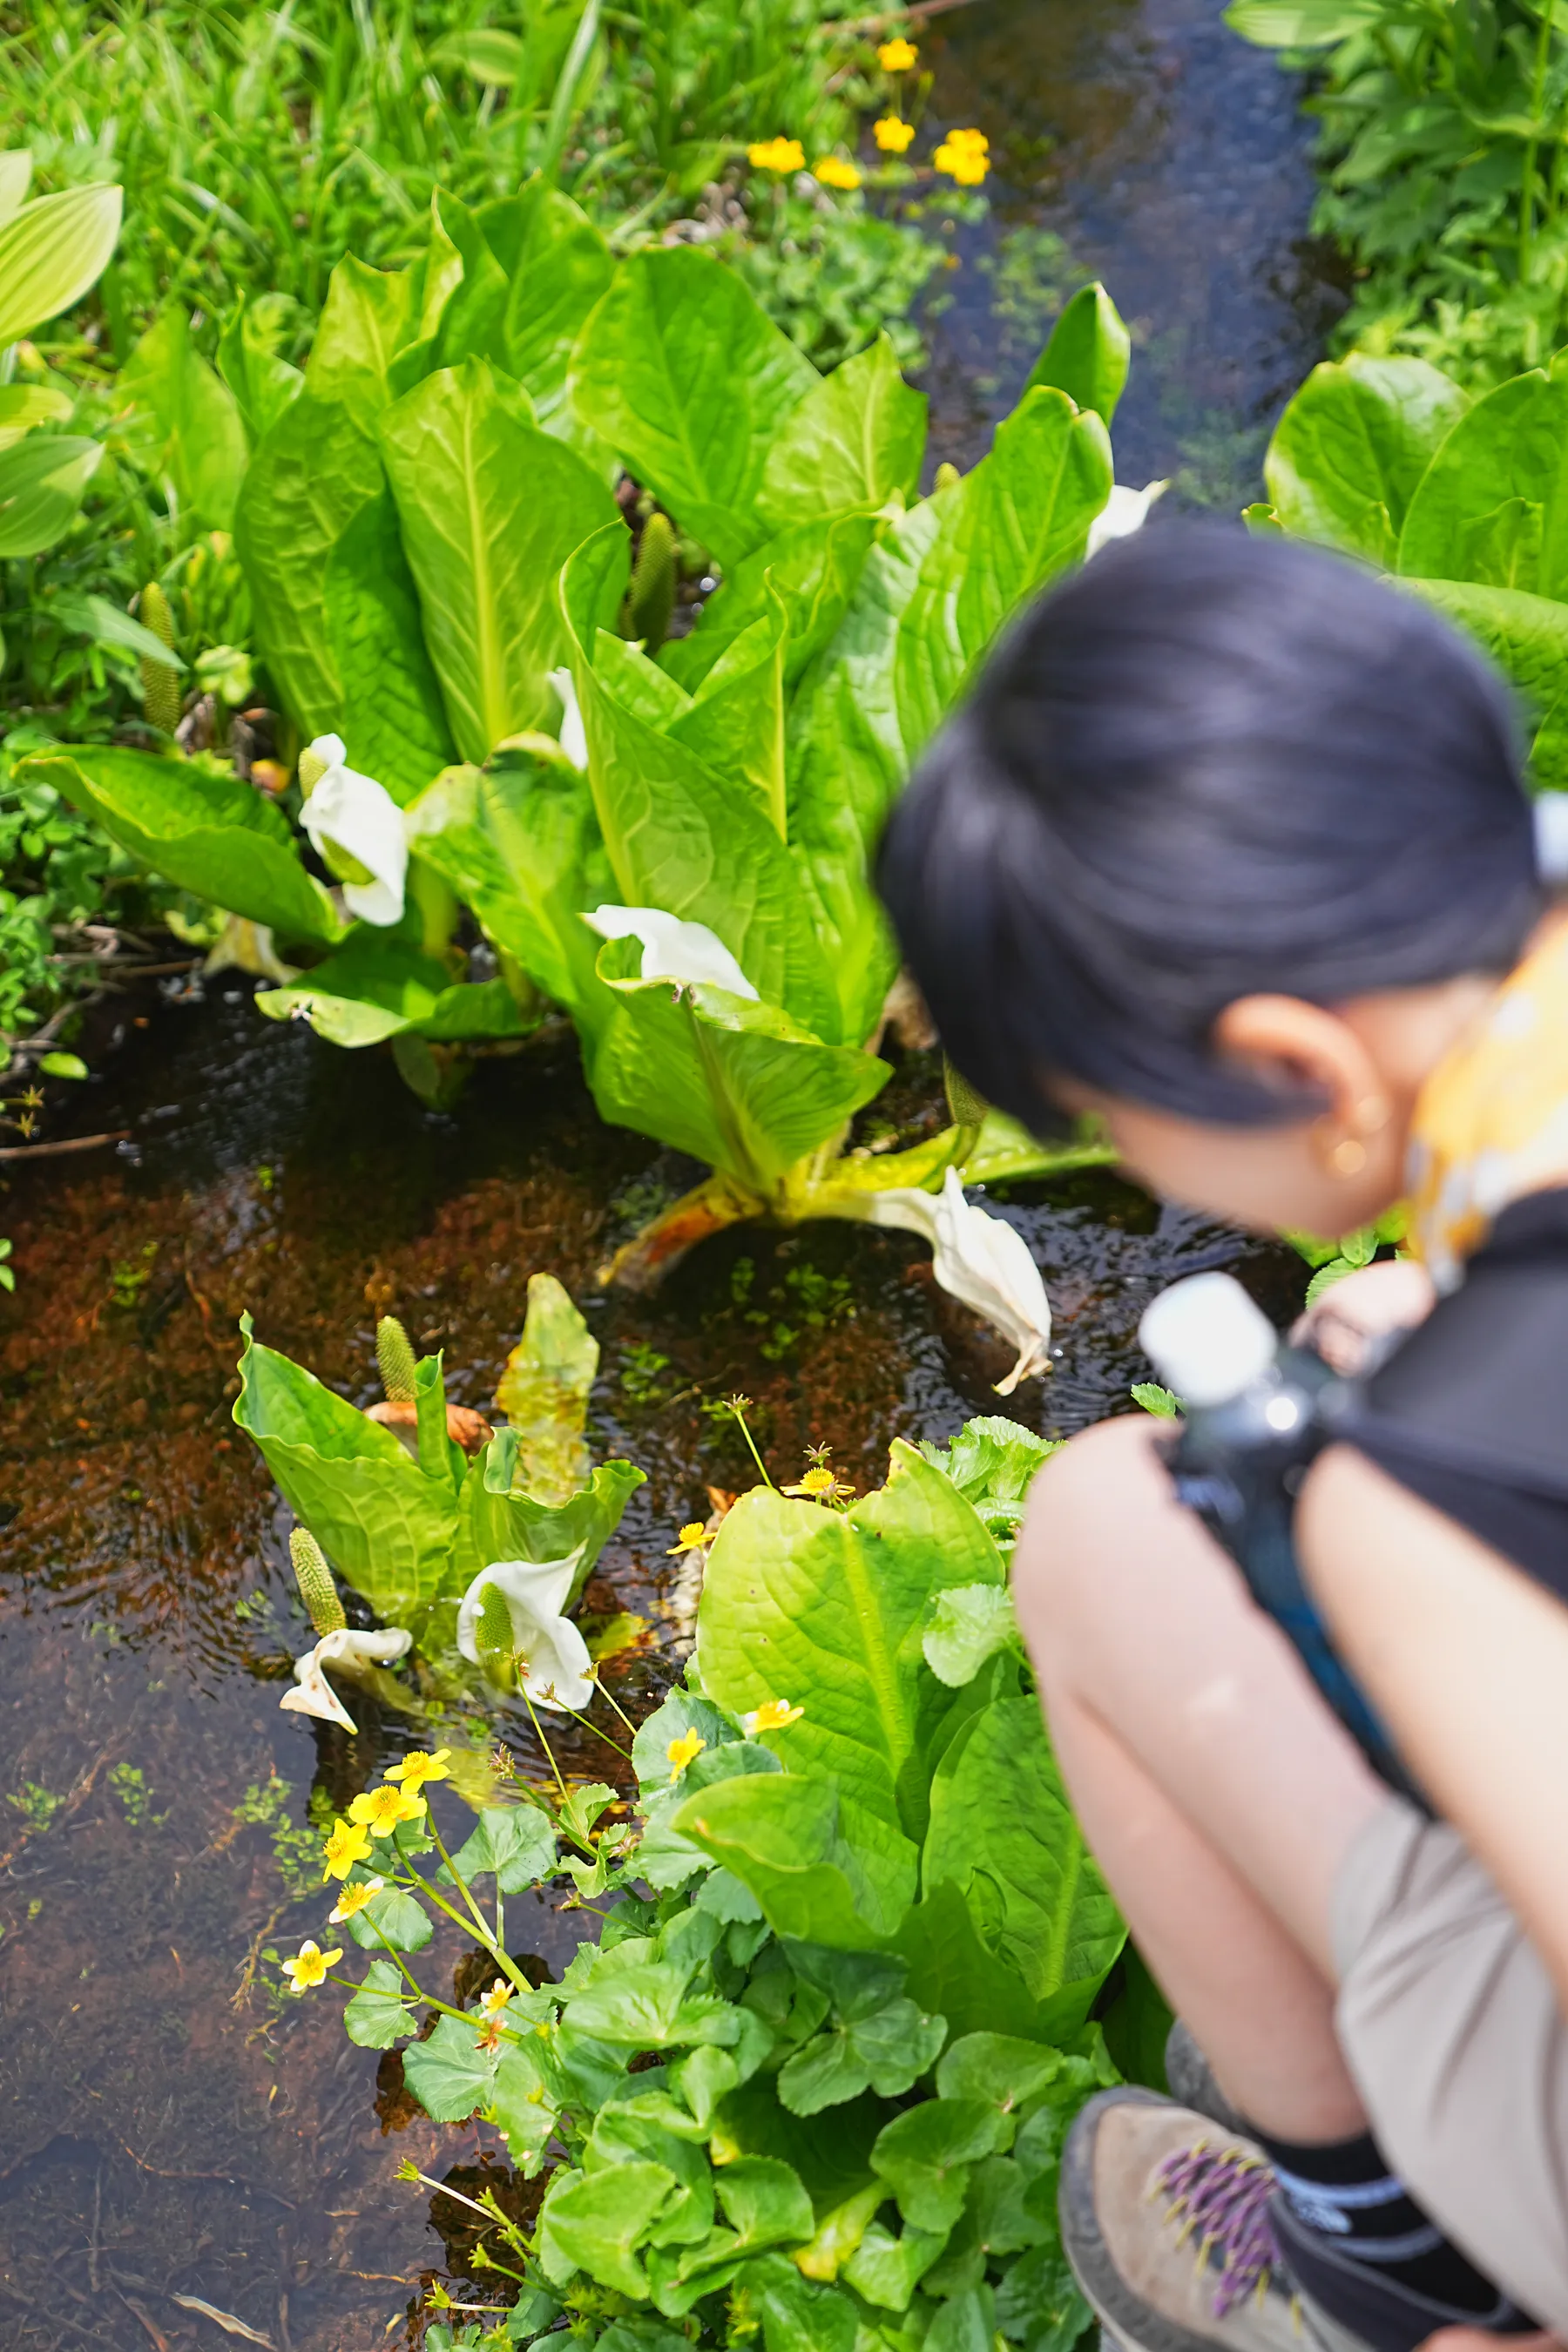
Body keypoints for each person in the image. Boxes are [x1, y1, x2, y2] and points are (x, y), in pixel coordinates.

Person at [876, 525, 1568, 2352]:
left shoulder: (1418, 1507)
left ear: (1297, 1067)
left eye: (1112, 1113)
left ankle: (1383, 2280)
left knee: (1106, 1531)